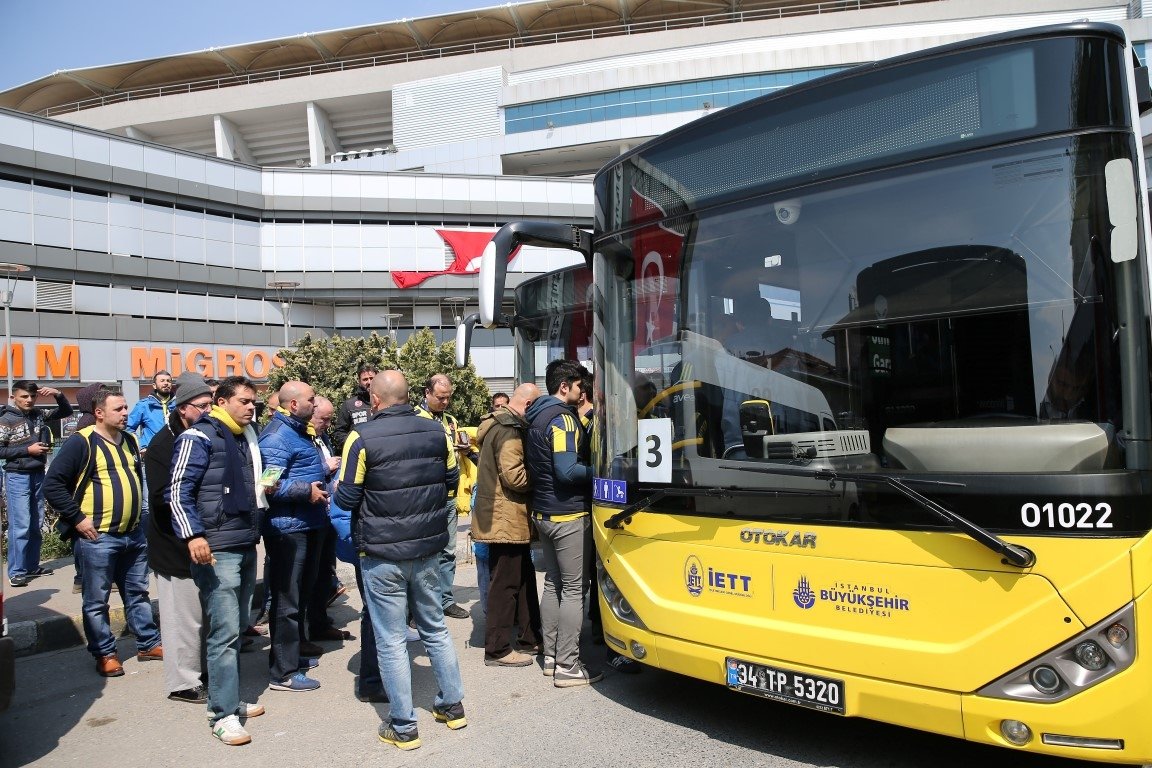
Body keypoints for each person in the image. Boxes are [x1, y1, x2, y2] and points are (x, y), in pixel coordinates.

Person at [335, 370, 465, 751]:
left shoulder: (361, 437)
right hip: (426, 549)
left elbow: (345, 499)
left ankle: (404, 725)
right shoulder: (437, 432)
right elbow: (451, 481)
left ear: (374, 399)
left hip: (381, 553)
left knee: (391, 641)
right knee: (436, 628)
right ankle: (452, 707)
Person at [168, 376, 269, 746]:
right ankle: (221, 714)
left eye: (253, 402)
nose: (250, 408)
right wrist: (193, 535)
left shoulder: (245, 439)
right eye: (243, 401)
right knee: (224, 633)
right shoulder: (198, 438)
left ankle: (227, 698)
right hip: (216, 548)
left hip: (244, 542)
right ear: (220, 402)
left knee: (237, 627)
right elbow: (178, 492)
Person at [43, 387, 162, 677]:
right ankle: (106, 653)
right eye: (119, 409)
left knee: (137, 593)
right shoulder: (81, 442)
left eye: (125, 408)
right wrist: (78, 518)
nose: (126, 414)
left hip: (133, 534)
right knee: (97, 602)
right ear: (99, 413)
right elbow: (53, 485)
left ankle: (147, 643)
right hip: (98, 537)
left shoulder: (131, 441)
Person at [524, 359, 602, 687]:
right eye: (578, 384)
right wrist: (601, 472)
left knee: (554, 583)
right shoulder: (564, 421)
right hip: (568, 515)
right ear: (563, 386)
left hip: (542, 514)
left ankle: (553, 657)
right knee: (573, 589)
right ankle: (569, 665)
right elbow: (567, 470)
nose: (583, 389)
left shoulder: (537, 414)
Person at [144, 372, 214, 703]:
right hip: (171, 543)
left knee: (200, 615)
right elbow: (161, 496)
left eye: (211, 403)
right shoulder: (163, 443)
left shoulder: (201, 434)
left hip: (198, 537)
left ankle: (201, 670)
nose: (209, 410)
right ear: (184, 408)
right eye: (203, 405)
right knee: (180, 618)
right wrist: (192, 491)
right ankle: (182, 683)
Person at [258, 380, 329, 693]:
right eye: (311, 400)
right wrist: (306, 491)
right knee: (286, 601)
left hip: (307, 523)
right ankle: (283, 672)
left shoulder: (300, 432)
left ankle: (293, 654)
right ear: (293, 405)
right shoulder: (276, 437)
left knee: (299, 596)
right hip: (288, 529)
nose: (315, 405)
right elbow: (268, 485)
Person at [473, 383, 542, 667]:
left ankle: (530, 638)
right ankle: (498, 649)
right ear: (526, 405)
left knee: (522, 579)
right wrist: (543, 479)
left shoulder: (494, 424)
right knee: (505, 583)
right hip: (506, 518)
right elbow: (515, 478)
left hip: (500, 516)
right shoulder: (510, 431)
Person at [1, 379, 73, 587]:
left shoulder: (38, 415)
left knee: (35, 523)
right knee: (21, 525)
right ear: (14, 397)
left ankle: (31, 566)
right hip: (17, 476)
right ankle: (16, 571)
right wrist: (27, 450)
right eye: (24, 396)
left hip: (38, 474)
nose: (29, 400)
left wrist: (58, 394)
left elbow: (66, 412)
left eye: (33, 396)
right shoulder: (6, 419)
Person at [415, 373, 468, 620]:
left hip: (449, 497)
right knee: (424, 554)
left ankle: (445, 599)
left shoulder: (450, 421)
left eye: (448, 398)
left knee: (448, 551)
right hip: (425, 499)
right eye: (440, 398)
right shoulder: (414, 419)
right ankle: (419, 606)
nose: (445, 402)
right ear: (427, 393)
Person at [305, 395, 350, 643]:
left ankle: (320, 623)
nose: (328, 424)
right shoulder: (302, 436)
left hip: (327, 512)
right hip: (309, 515)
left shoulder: (321, 436)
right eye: (324, 419)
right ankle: (311, 628)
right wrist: (326, 467)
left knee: (324, 572)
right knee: (311, 576)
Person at [332, 364, 377, 453]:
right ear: (359, 382)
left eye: (372, 378)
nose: (369, 382)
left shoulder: (387, 402)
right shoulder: (349, 405)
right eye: (365, 379)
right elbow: (339, 433)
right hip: (358, 454)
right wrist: (354, 447)